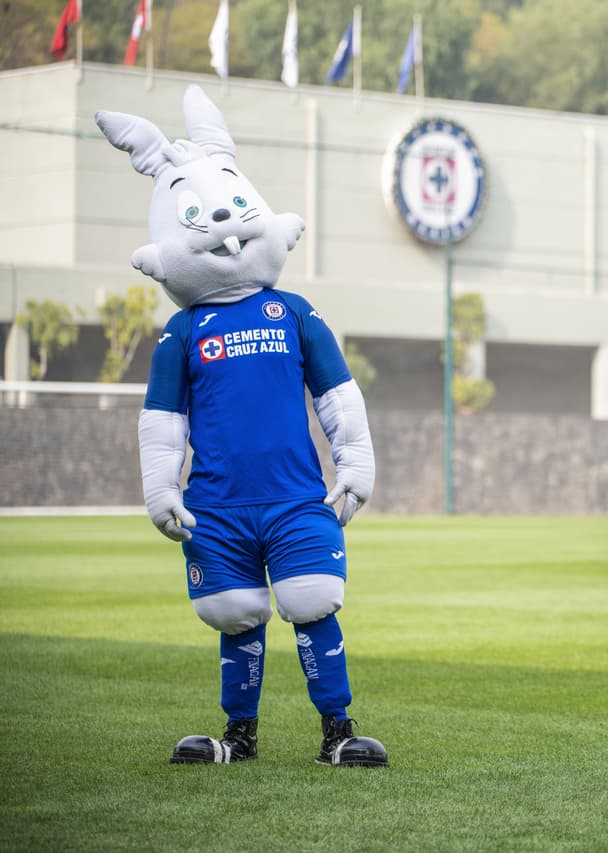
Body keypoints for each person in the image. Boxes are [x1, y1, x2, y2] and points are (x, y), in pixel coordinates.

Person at [96, 85, 386, 767]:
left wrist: (357, 465)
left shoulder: (293, 313)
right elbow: (160, 422)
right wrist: (159, 488)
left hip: (295, 497)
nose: (222, 220)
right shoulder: (183, 330)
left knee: (314, 600)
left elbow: (338, 398)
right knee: (234, 613)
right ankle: (241, 737)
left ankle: (338, 732)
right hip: (216, 504)